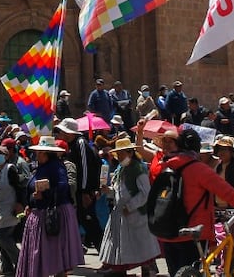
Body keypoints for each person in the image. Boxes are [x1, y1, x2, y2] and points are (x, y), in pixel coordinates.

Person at [158, 128, 234, 275]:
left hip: (167, 231)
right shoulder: (199, 169)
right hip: (193, 232)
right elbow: (227, 192)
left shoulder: (166, 166)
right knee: (195, 270)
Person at [18, 136, 84, 277]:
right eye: (38, 152)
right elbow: (31, 188)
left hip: (53, 215)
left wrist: (46, 194)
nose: (38, 155)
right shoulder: (39, 168)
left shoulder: (57, 167)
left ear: (49, 153)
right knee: (45, 254)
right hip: (39, 214)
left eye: (42, 153)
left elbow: (63, 186)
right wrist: (30, 204)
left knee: (55, 253)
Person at [98, 137, 158, 277]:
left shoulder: (138, 169)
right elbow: (120, 190)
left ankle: (148, 271)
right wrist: (109, 191)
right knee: (125, 247)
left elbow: (145, 193)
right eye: (118, 154)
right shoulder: (121, 170)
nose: (119, 157)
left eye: (122, 154)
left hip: (136, 215)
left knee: (142, 248)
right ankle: (121, 270)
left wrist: (130, 206)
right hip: (121, 215)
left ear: (130, 153)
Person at [55, 118, 103, 249]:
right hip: (77, 193)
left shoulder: (80, 143)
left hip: (84, 193)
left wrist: (85, 191)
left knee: (90, 224)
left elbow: (85, 168)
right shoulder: (72, 145)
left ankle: (107, 257)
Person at [0, 144, 24, 276]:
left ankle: (21, 263)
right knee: (1, 237)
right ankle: (7, 266)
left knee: (4, 237)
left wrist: (19, 203)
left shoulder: (10, 169)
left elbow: (18, 187)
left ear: (6, 156)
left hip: (10, 208)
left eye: (0, 154)